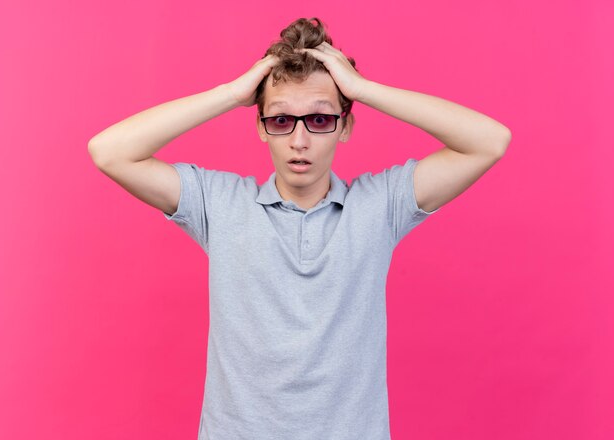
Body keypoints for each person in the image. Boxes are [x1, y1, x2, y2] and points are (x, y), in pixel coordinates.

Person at [88, 17, 511, 440]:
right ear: (261, 127)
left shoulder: (379, 206)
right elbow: (109, 152)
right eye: (281, 121)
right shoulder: (218, 204)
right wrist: (232, 94)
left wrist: (363, 90)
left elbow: (489, 140)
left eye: (320, 120)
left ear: (345, 126)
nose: (299, 140)